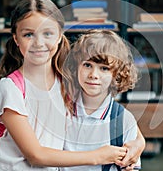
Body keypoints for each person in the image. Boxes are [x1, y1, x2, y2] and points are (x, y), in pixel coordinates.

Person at [0, 0, 144, 170]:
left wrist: (139, 142)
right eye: (28, 34)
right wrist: (98, 156)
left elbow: (112, 113)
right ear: (16, 39)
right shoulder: (11, 87)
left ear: (60, 36)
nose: (38, 43)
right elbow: (35, 156)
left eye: (47, 33)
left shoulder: (67, 80)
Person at [61, 29, 142, 170]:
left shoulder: (123, 120)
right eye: (87, 65)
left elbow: (131, 166)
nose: (94, 75)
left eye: (104, 68)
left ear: (117, 74)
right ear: (76, 66)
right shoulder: (62, 108)